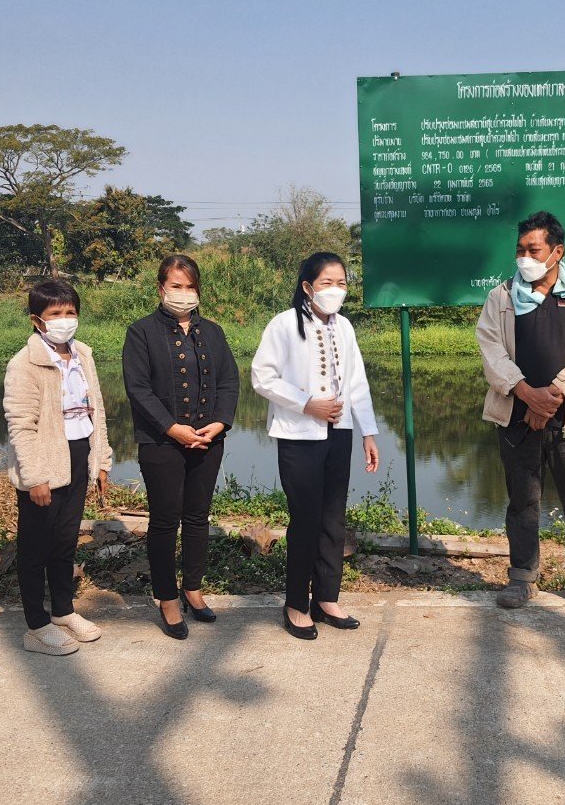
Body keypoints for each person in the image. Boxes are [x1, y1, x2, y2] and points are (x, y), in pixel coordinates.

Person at [477, 211, 565, 613]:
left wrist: (551, 396)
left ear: (557, 252)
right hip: (516, 416)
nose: (524, 257)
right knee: (522, 500)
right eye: (519, 250)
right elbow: (491, 351)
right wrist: (525, 393)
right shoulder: (500, 297)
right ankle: (521, 577)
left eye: (532, 249)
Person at [251, 252, 379, 640]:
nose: (335, 290)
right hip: (298, 435)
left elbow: (357, 382)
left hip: (338, 432)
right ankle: (295, 604)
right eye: (327, 283)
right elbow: (262, 376)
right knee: (304, 520)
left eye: (341, 283)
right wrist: (307, 403)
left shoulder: (345, 327)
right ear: (308, 287)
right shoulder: (285, 325)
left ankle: (327, 598)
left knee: (333, 519)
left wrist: (368, 432)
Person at [123, 254, 239, 639]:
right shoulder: (141, 333)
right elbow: (138, 389)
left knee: (197, 518)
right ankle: (168, 599)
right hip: (161, 442)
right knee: (164, 521)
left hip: (208, 440)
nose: (184, 294)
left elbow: (229, 382)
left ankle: (193, 588)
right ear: (161, 289)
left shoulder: (214, 332)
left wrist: (219, 423)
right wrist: (173, 428)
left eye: (190, 287)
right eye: (176, 286)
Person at [4, 279, 113, 656]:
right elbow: (20, 424)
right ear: (38, 320)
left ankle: (63, 611)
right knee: (35, 546)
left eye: (70, 312)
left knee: (65, 541)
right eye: (55, 314)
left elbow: (96, 408)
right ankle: (35, 624)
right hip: (45, 461)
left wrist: (101, 459)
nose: (65, 320)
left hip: (79, 455)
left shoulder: (83, 354)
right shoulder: (25, 363)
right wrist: (34, 477)